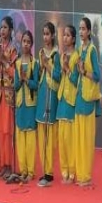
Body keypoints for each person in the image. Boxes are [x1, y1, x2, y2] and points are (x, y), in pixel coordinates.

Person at [72, 17, 101, 187]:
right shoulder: (79, 49)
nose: (81, 31)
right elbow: (76, 74)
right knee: (79, 139)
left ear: (89, 31)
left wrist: (84, 72)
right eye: (80, 28)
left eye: (83, 29)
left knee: (87, 140)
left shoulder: (91, 50)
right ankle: (80, 175)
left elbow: (97, 76)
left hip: (88, 99)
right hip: (79, 98)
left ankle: (86, 176)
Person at [36, 22, 61, 187]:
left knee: (49, 136)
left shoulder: (56, 55)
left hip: (51, 94)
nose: (45, 37)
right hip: (42, 92)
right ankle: (44, 169)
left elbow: (58, 76)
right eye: (43, 34)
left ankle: (49, 173)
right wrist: (41, 66)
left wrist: (47, 65)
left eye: (47, 34)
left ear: (53, 35)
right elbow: (38, 73)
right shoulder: (40, 53)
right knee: (41, 133)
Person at [12, 30, 38, 184]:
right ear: (21, 43)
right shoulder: (16, 63)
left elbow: (36, 85)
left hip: (31, 105)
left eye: (28, 42)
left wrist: (26, 79)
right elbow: (15, 86)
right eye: (24, 41)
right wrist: (20, 80)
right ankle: (23, 170)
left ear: (31, 44)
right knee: (20, 139)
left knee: (30, 142)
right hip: (20, 105)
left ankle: (31, 171)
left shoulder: (35, 63)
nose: (26, 44)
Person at [0, 17, 17, 179]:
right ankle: (3, 164)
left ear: (10, 30)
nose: (2, 30)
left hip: (8, 95)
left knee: (8, 132)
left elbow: (15, 73)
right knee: (1, 132)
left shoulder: (13, 50)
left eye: (5, 28)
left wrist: (4, 61)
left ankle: (10, 165)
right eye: (1, 27)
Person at [56, 25, 78, 184]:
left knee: (70, 140)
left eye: (68, 35)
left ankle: (72, 172)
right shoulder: (62, 55)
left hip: (71, 100)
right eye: (64, 35)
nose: (65, 38)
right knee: (62, 139)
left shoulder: (77, 57)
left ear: (74, 39)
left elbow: (76, 80)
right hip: (61, 99)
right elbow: (59, 76)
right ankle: (64, 171)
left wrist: (67, 69)